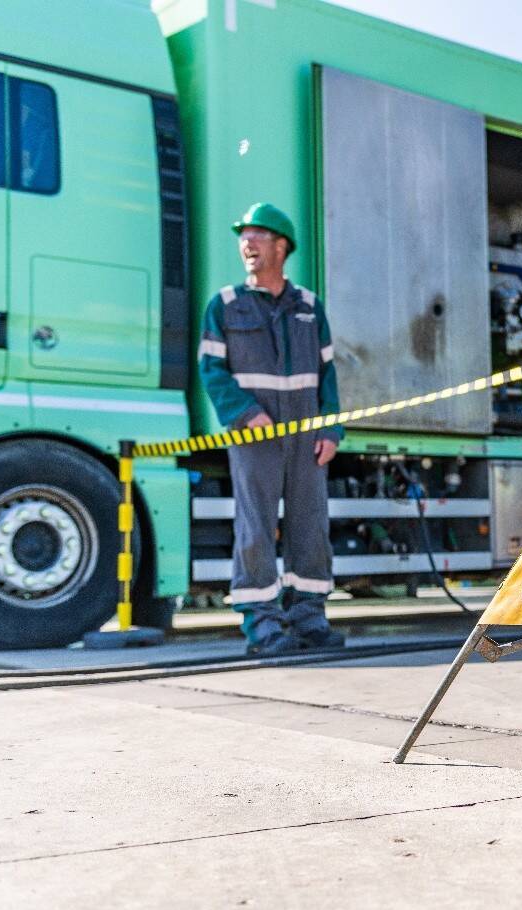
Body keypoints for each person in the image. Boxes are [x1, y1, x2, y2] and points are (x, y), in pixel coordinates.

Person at [198, 203, 344, 653]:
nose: (247, 243)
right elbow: (211, 369)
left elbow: (329, 376)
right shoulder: (224, 305)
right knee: (255, 528)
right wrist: (244, 412)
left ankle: (307, 619)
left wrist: (331, 430)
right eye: (243, 236)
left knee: (310, 526)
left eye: (257, 235)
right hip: (254, 435)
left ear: (282, 246)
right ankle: (262, 625)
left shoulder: (309, 308)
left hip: (306, 436)